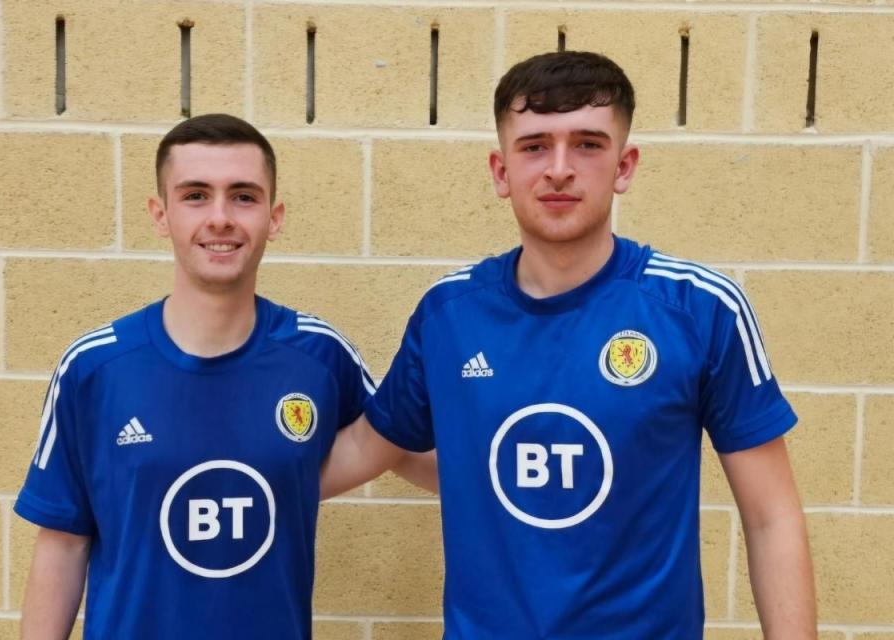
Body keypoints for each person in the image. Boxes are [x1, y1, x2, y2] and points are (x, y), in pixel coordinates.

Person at [322, 51, 816, 638]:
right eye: (534, 146)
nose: (559, 169)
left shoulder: (700, 309)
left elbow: (770, 518)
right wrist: (215, 463)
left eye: (587, 144)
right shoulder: (448, 316)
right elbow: (371, 447)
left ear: (624, 166)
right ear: (501, 171)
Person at [15, 114, 381, 639]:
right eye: (195, 195)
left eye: (243, 196)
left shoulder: (319, 356)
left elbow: (411, 447)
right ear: (159, 214)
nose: (220, 217)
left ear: (274, 217)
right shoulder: (94, 367)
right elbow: (62, 544)